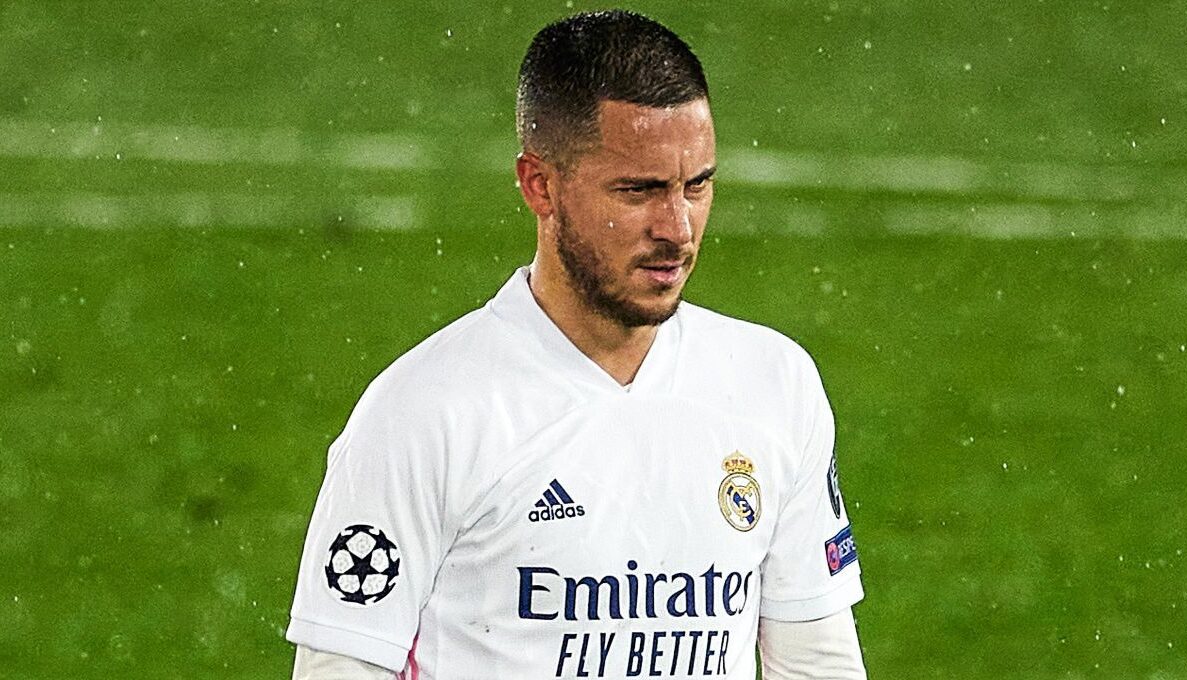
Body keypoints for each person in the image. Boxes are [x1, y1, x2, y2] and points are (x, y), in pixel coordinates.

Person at [287, 9, 867, 679]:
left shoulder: (773, 384)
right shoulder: (423, 412)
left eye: (697, 185)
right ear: (540, 185)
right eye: (640, 190)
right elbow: (341, 666)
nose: (677, 228)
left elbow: (816, 661)